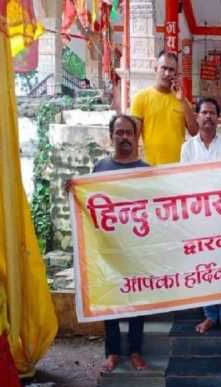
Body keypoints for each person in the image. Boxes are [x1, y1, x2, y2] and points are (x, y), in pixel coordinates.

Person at [180, 98, 221, 336]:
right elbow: (185, 182)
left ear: (218, 117)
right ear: (197, 117)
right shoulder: (187, 148)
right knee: (204, 265)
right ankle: (209, 316)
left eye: (212, 113)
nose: (208, 116)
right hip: (199, 218)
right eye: (204, 112)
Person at [94, 114, 150, 371]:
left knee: (138, 301)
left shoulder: (146, 171)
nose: (125, 137)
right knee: (110, 301)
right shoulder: (100, 168)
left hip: (136, 249)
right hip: (109, 249)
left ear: (136, 137)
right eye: (120, 132)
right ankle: (113, 352)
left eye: (129, 132)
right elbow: (90, 203)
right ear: (111, 136)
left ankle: (136, 351)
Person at [130, 50, 198, 165]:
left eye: (171, 70)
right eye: (164, 68)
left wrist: (182, 100)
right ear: (156, 68)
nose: (167, 73)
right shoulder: (141, 98)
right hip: (150, 168)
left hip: (177, 168)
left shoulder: (182, 101)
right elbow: (133, 138)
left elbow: (194, 131)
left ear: (176, 74)